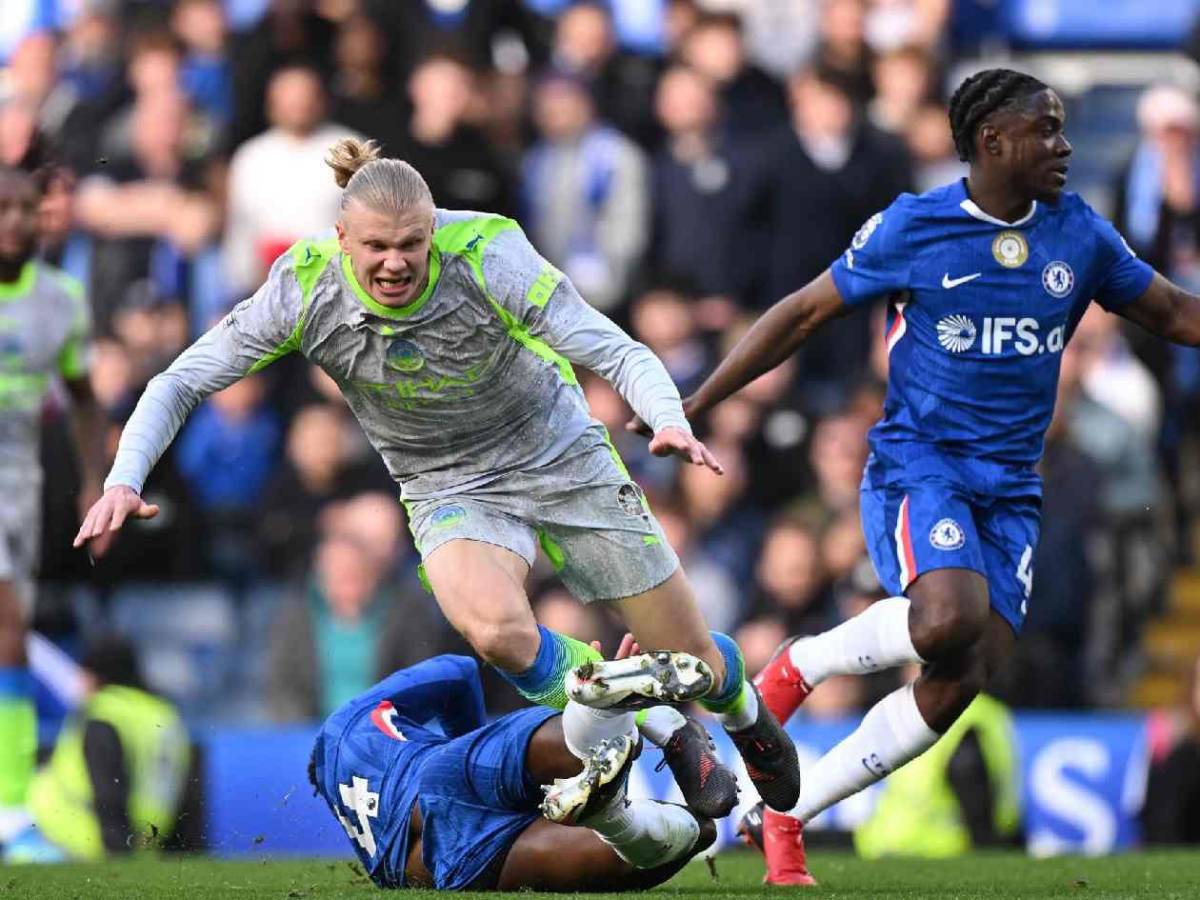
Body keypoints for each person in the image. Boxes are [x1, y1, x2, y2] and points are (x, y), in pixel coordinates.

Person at [74, 138, 800, 814]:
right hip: (446, 483)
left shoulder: (488, 251)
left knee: (693, 659)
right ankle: (663, 726)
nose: (395, 262)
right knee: (495, 631)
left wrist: (667, 416)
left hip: (560, 455)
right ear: (342, 240)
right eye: (377, 247)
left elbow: (615, 348)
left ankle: (745, 715)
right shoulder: (301, 286)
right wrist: (123, 478)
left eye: (411, 245)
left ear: (432, 231)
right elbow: (180, 382)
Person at [645, 68, 1200, 883]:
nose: (1065, 144)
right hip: (919, 466)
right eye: (1046, 128)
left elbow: (1176, 312)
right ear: (991, 141)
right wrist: (695, 399)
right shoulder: (914, 227)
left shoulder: (1078, 233)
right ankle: (802, 664)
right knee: (946, 618)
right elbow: (802, 311)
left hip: (1011, 488)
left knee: (964, 674)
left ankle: (788, 810)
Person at [308, 649, 724, 890]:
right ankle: (617, 710)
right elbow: (459, 670)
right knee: (564, 745)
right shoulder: (346, 724)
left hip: (435, 865)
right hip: (436, 774)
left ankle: (617, 815)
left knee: (679, 840)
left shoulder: (357, 830)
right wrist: (471, 745)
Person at [0, 159, 107, 850]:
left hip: (21, 483)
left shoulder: (63, 297)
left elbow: (87, 399)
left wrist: (95, 481)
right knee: (7, 628)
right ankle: (10, 807)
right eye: (4, 209)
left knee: (9, 638)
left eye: (26, 210)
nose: (15, 222)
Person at [16, 636, 192, 862]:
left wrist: (116, 850)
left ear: (95, 674)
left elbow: (108, 785)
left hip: (73, 839)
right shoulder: (162, 713)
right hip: (146, 842)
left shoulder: (105, 711)